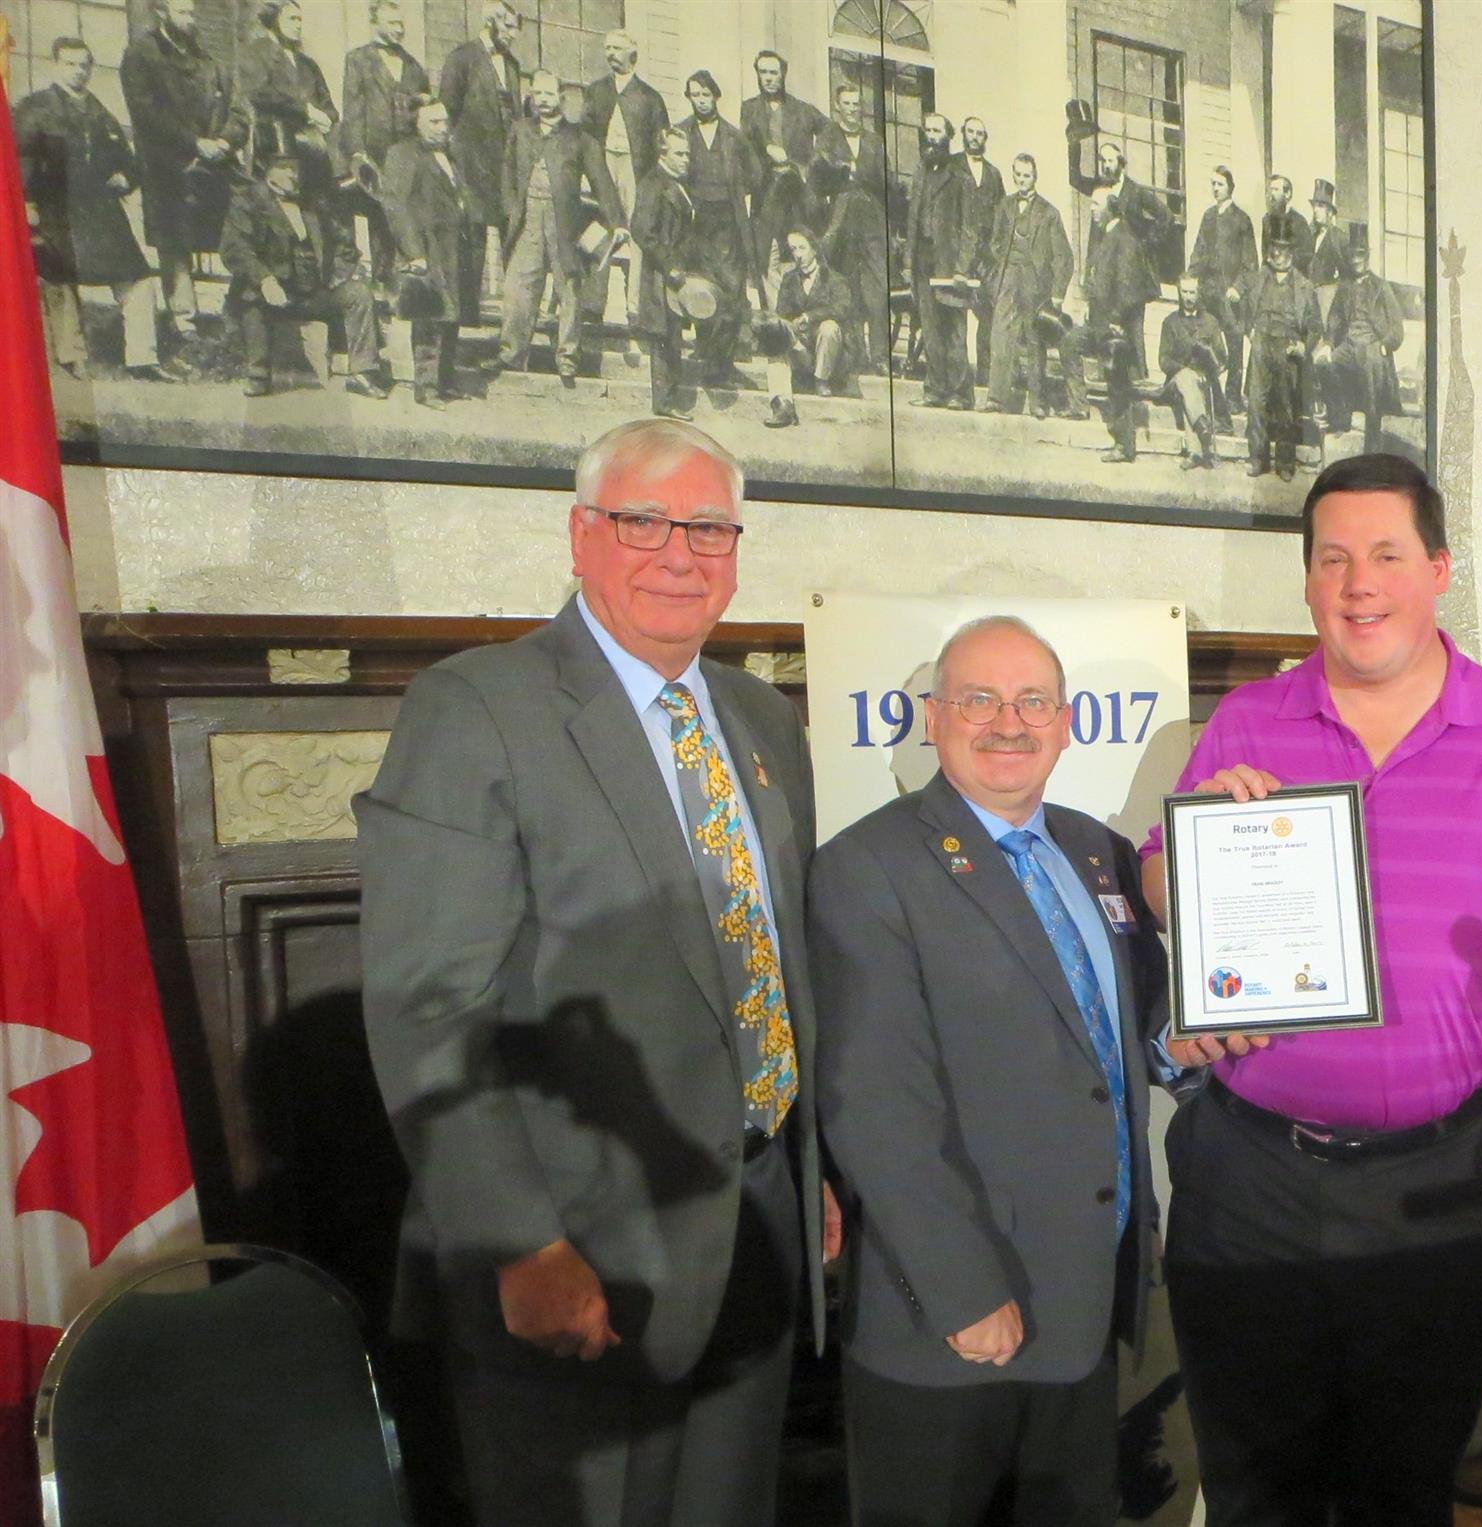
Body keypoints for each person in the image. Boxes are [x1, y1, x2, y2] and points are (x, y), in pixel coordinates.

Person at [1140, 452, 1482, 1525]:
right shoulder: (1248, 721)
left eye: (1386, 555)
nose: (1359, 584)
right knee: (1255, 1495)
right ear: (1308, 581)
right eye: (1333, 560)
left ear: (1439, 569)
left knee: (1403, 1494)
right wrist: (1200, 847)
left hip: (1437, 1191)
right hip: (1250, 1188)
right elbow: (1156, 883)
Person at [358, 418, 839, 1527]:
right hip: (576, 1250)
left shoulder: (761, 717)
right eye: (643, 522)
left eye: (709, 528)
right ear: (582, 536)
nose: (680, 554)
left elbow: (775, 961)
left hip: (755, 1224)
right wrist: (520, 1239)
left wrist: (804, 1155)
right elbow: (430, 1004)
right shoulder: (478, 708)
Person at [810, 615, 1170, 1527]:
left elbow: (1130, 1026)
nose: (1009, 722)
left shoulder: (1097, 851)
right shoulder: (867, 866)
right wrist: (964, 1292)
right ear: (933, 718)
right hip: (952, 1322)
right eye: (980, 699)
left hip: (1086, 1303)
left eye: (1032, 701)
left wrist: (1189, 1043)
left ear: (1067, 722)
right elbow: (876, 1105)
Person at [17, 37, 177, 383]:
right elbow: (21, 162)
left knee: (137, 278)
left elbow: (128, 160)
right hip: (56, 209)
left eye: (84, 65)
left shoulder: (99, 112)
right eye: (70, 64)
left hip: (101, 211)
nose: (78, 72)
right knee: (60, 278)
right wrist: (28, 205)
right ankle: (72, 358)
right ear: (55, 66)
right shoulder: (35, 109)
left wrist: (126, 177)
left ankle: (142, 358)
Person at [497, 70, 625, 387]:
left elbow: (602, 181)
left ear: (562, 98)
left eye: (549, 94)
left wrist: (618, 223)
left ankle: (567, 359)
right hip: (528, 219)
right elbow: (507, 174)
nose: (543, 100)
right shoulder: (520, 131)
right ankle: (511, 354)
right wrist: (511, 210)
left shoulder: (579, 138)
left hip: (564, 221)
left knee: (569, 289)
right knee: (518, 287)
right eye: (537, 94)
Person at [220, 152, 385, 399]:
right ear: (268, 170)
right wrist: (265, 279)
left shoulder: (314, 203)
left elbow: (345, 245)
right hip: (270, 294)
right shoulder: (247, 201)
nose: (293, 175)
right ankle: (258, 373)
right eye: (285, 168)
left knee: (358, 293)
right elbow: (236, 249)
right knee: (250, 294)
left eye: (296, 168)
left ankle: (363, 372)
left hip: (313, 293)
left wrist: (337, 276)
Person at [119, 0, 230, 340]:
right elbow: (145, 112)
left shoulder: (199, 55)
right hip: (164, 162)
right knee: (174, 240)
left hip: (206, 160)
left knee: (215, 230)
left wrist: (215, 141)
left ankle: (234, 312)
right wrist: (192, 142)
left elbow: (221, 100)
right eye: (183, 12)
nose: (190, 19)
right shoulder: (141, 53)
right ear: (162, 13)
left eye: (192, 12)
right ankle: (184, 319)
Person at [581, 31, 667, 364]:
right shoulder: (596, 91)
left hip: (637, 172)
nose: (610, 53)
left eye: (617, 48)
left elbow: (661, 144)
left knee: (638, 237)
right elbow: (587, 135)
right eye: (607, 48)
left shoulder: (649, 97)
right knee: (599, 232)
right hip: (603, 169)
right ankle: (592, 305)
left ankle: (637, 310)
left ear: (633, 52)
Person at [382, 96, 472, 409]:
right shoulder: (403, 154)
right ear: (415, 123)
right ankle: (426, 388)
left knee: (450, 316)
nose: (443, 127)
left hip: (452, 249)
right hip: (426, 249)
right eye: (434, 122)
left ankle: (445, 381)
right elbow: (397, 206)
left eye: (445, 121)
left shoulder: (450, 154)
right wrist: (414, 253)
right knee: (429, 317)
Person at [437, 0, 523, 327]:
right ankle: (466, 316)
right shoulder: (461, 58)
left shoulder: (512, 65)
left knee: (511, 235)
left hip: (503, 167)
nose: (513, 35)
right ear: (490, 23)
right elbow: (446, 112)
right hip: (470, 165)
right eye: (508, 27)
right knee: (472, 238)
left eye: (515, 28)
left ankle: (514, 317)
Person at [681, 68, 760, 390]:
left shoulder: (733, 136)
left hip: (727, 222)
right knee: (700, 287)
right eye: (695, 95)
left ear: (715, 96)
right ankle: (705, 353)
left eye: (705, 94)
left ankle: (722, 364)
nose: (701, 100)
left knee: (729, 288)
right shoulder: (681, 132)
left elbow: (755, 174)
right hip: (694, 222)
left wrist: (735, 192)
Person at [339, 0, 429, 280]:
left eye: (401, 24)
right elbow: (353, 111)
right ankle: (382, 283)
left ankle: (405, 283)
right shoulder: (358, 60)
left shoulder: (413, 66)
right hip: (375, 153)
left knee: (406, 216)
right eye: (392, 23)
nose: (399, 30)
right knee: (380, 219)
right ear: (374, 23)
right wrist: (356, 154)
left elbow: (425, 111)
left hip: (407, 154)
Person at [981, 152, 1074, 419]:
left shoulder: (1049, 213)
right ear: (1013, 175)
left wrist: (1057, 294)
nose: (1022, 180)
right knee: (1000, 335)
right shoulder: (1005, 206)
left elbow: (1064, 257)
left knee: (1035, 341)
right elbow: (994, 243)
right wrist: (995, 274)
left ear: (1035, 177)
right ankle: (995, 398)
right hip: (1008, 279)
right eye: (1018, 175)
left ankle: (1037, 402)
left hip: (1035, 284)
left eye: (1027, 175)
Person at [1233, 214, 1324, 480]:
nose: (1277, 253)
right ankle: (1257, 459)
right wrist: (1248, 329)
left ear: (1291, 252)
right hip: (1261, 342)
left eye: (1282, 249)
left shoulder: (1304, 286)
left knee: (1286, 406)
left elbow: (1315, 325)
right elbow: (1240, 305)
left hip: (1287, 347)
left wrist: (1303, 346)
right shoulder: (1259, 278)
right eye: (1273, 247)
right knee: (1256, 403)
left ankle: (1285, 463)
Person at [1066, 137, 1164, 377]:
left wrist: (1146, 244)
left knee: (1132, 328)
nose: (1106, 166)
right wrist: (1074, 141)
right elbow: (1074, 178)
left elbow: (1166, 216)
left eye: (1110, 161)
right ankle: (1109, 378)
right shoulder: (1099, 188)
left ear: (1121, 163)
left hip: (1130, 271)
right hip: (1105, 268)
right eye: (1103, 161)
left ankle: (1139, 378)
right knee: (1104, 329)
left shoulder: (1136, 191)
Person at [814, 81, 889, 375]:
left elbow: (884, 179)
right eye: (846, 103)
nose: (852, 109)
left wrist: (857, 172)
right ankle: (852, 356)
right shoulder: (828, 137)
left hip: (871, 222)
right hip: (841, 221)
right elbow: (818, 172)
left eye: (856, 104)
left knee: (878, 288)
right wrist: (844, 169)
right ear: (837, 107)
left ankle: (880, 356)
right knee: (846, 288)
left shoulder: (874, 141)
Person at [738, 50, 828, 291]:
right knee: (766, 258)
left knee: (798, 254)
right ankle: (775, 309)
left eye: (773, 72)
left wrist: (808, 167)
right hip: (766, 195)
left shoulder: (803, 110)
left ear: (783, 74)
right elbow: (746, 144)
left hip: (796, 196)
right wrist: (767, 148)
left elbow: (831, 135)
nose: (768, 78)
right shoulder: (749, 109)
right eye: (763, 72)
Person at [227, 0, 337, 197]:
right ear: (274, 20)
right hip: (275, 147)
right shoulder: (256, 53)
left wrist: (328, 118)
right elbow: (259, 94)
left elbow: (328, 105)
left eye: (300, 20)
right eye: (292, 19)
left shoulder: (307, 64)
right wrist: (305, 110)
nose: (298, 25)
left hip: (312, 151)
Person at [905, 113, 973, 411]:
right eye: (928, 130)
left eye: (937, 131)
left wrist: (962, 268)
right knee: (930, 329)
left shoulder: (961, 177)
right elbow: (912, 219)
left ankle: (961, 393)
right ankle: (935, 389)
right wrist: (908, 262)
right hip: (923, 259)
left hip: (949, 263)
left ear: (948, 136)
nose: (931, 136)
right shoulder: (921, 172)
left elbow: (970, 229)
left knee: (954, 330)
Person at [759, 226, 857, 429]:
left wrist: (809, 317)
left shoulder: (834, 279)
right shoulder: (789, 279)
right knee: (776, 334)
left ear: (814, 249)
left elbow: (842, 308)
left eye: (802, 248)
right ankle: (782, 405)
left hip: (830, 354)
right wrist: (787, 328)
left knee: (829, 327)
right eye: (793, 249)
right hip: (800, 347)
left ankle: (821, 381)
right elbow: (782, 312)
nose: (797, 254)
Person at [630, 127, 697, 421]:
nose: (685, 160)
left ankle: (669, 399)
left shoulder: (678, 184)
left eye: (687, 154)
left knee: (672, 336)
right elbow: (642, 230)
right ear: (663, 154)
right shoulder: (653, 184)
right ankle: (664, 401)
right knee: (663, 338)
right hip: (661, 276)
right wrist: (669, 265)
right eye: (679, 154)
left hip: (676, 274)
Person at [1318, 237, 1406, 450]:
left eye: (1360, 256)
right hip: (1348, 345)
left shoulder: (1381, 286)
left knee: (1372, 391)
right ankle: (1340, 418)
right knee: (1323, 364)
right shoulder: (1345, 286)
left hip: (1372, 345)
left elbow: (1397, 326)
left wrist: (1386, 345)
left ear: (1367, 258)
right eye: (1352, 257)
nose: (1356, 261)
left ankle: (1372, 447)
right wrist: (1328, 344)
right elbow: (1334, 318)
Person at [1187, 164, 1254, 414]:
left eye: (1220, 184)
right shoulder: (1208, 217)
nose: (1215, 189)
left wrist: (1238, 288)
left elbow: (1250, 263)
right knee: (1202, 340)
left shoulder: (1242, 220)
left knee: (1235, 345)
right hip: (1208, 292)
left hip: (1230, 295)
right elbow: (1198, 251)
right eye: (1213, 184)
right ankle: (1206, 394)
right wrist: (1191, 279)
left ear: (1230, 187)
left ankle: (1233, 397)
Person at [1158, 274, 1227, 469]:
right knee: (1187, 381)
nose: (1188, 297)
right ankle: (1203, 427)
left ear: (1199, 293)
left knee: (1191, 394)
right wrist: (1184, 370)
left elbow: (1223, 360)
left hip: (1202, 383)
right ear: (1179, 292)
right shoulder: (1170, 322)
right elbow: (1163, 360)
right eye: (1184, 292)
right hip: (1175, 383)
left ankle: (1195, 451)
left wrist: (1210, 368)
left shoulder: (1211, 322)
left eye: (1192, 292)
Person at [955, 116, 1003, 384]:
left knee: (988, 313)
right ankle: (958, 377)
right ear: (963, 134)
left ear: (985, 139)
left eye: (980, 134)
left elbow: (1001, 214)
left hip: (985, 257)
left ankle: (985, 376)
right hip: (957, 254)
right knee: (954, 315)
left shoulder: (993, 175)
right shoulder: (951, 167)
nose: (974, 137)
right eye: (971, 132)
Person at [1262, 175, 1311, 280]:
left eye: (1276, 190)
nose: (1271, 195)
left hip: (1293, 281)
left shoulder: (1299, 222)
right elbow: (1265, 254)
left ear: (1287, 194)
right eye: (1270, 190)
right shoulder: (1267, 220)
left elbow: (1306, 256)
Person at [1307, 178, 1351, 291]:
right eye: (1314, 205)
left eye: (1320, 206)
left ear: (1330, 212)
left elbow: (1348, 275)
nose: (1315, 210)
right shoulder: (1309, 236)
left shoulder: (1339, 238)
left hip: (1328, 296)